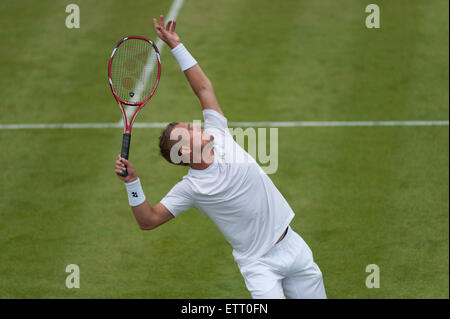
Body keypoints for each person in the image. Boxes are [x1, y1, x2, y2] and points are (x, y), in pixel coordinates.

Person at [114, 15, 327, 299]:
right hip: (259, 265)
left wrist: (177, 46)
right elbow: (148, 220)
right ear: (186, 151)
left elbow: (203, 89)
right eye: (190, 130)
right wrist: (133, 183)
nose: (197, 125)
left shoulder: (220, 133)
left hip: (293, 246)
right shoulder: (191, 189)